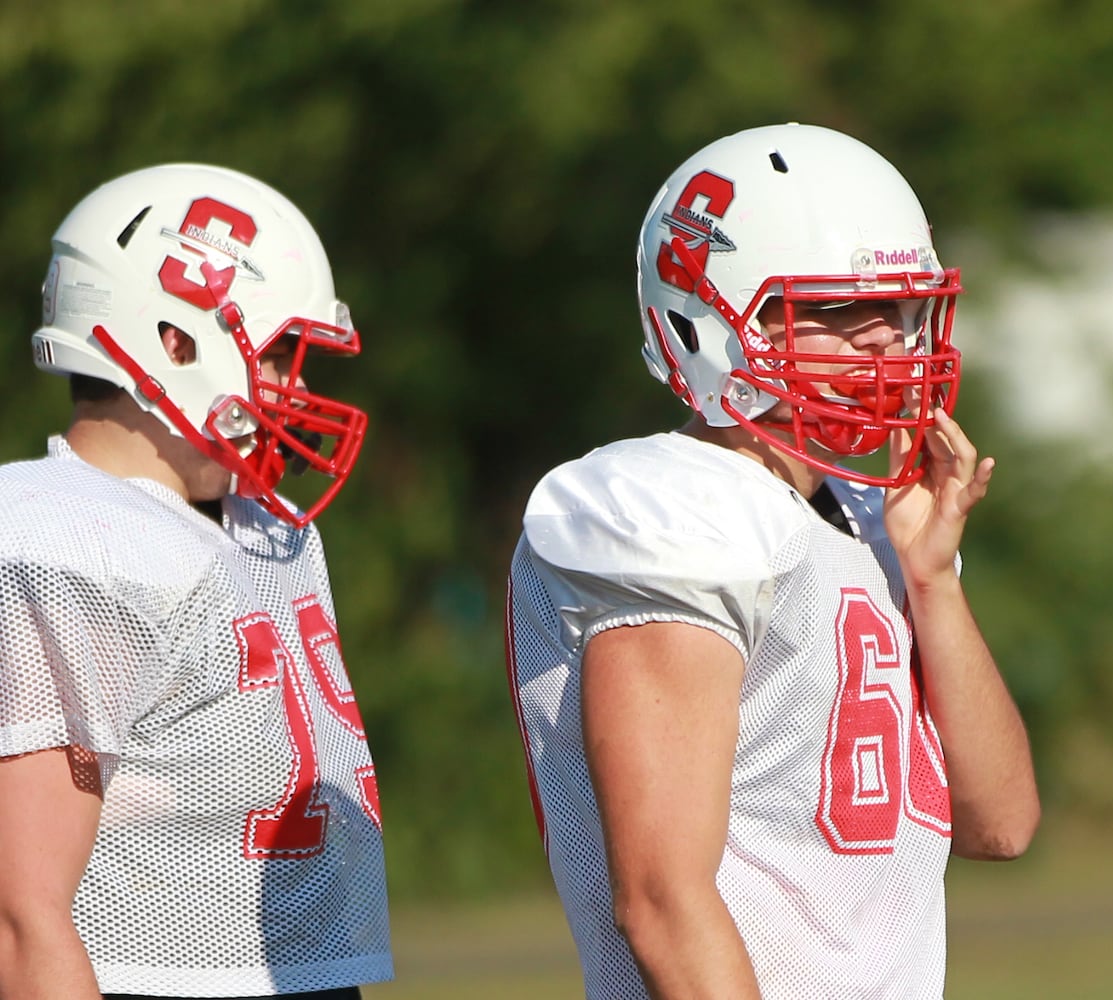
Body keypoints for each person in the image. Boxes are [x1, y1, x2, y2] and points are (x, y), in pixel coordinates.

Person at [505, 123, 1040, 999]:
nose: (888, 342)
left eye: (903, 309)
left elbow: (1002, 824)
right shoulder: (667, 506)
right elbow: (662, 899)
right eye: (834, 311)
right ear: (710, 323)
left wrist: (932, 580)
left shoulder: (878, 516)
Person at [0, 164, 392, 999]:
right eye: (283, 352)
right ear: (173, 341)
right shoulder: (58, 536)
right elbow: (20, 915)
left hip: (300, 971)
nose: (298, 387)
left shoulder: (271, 524)